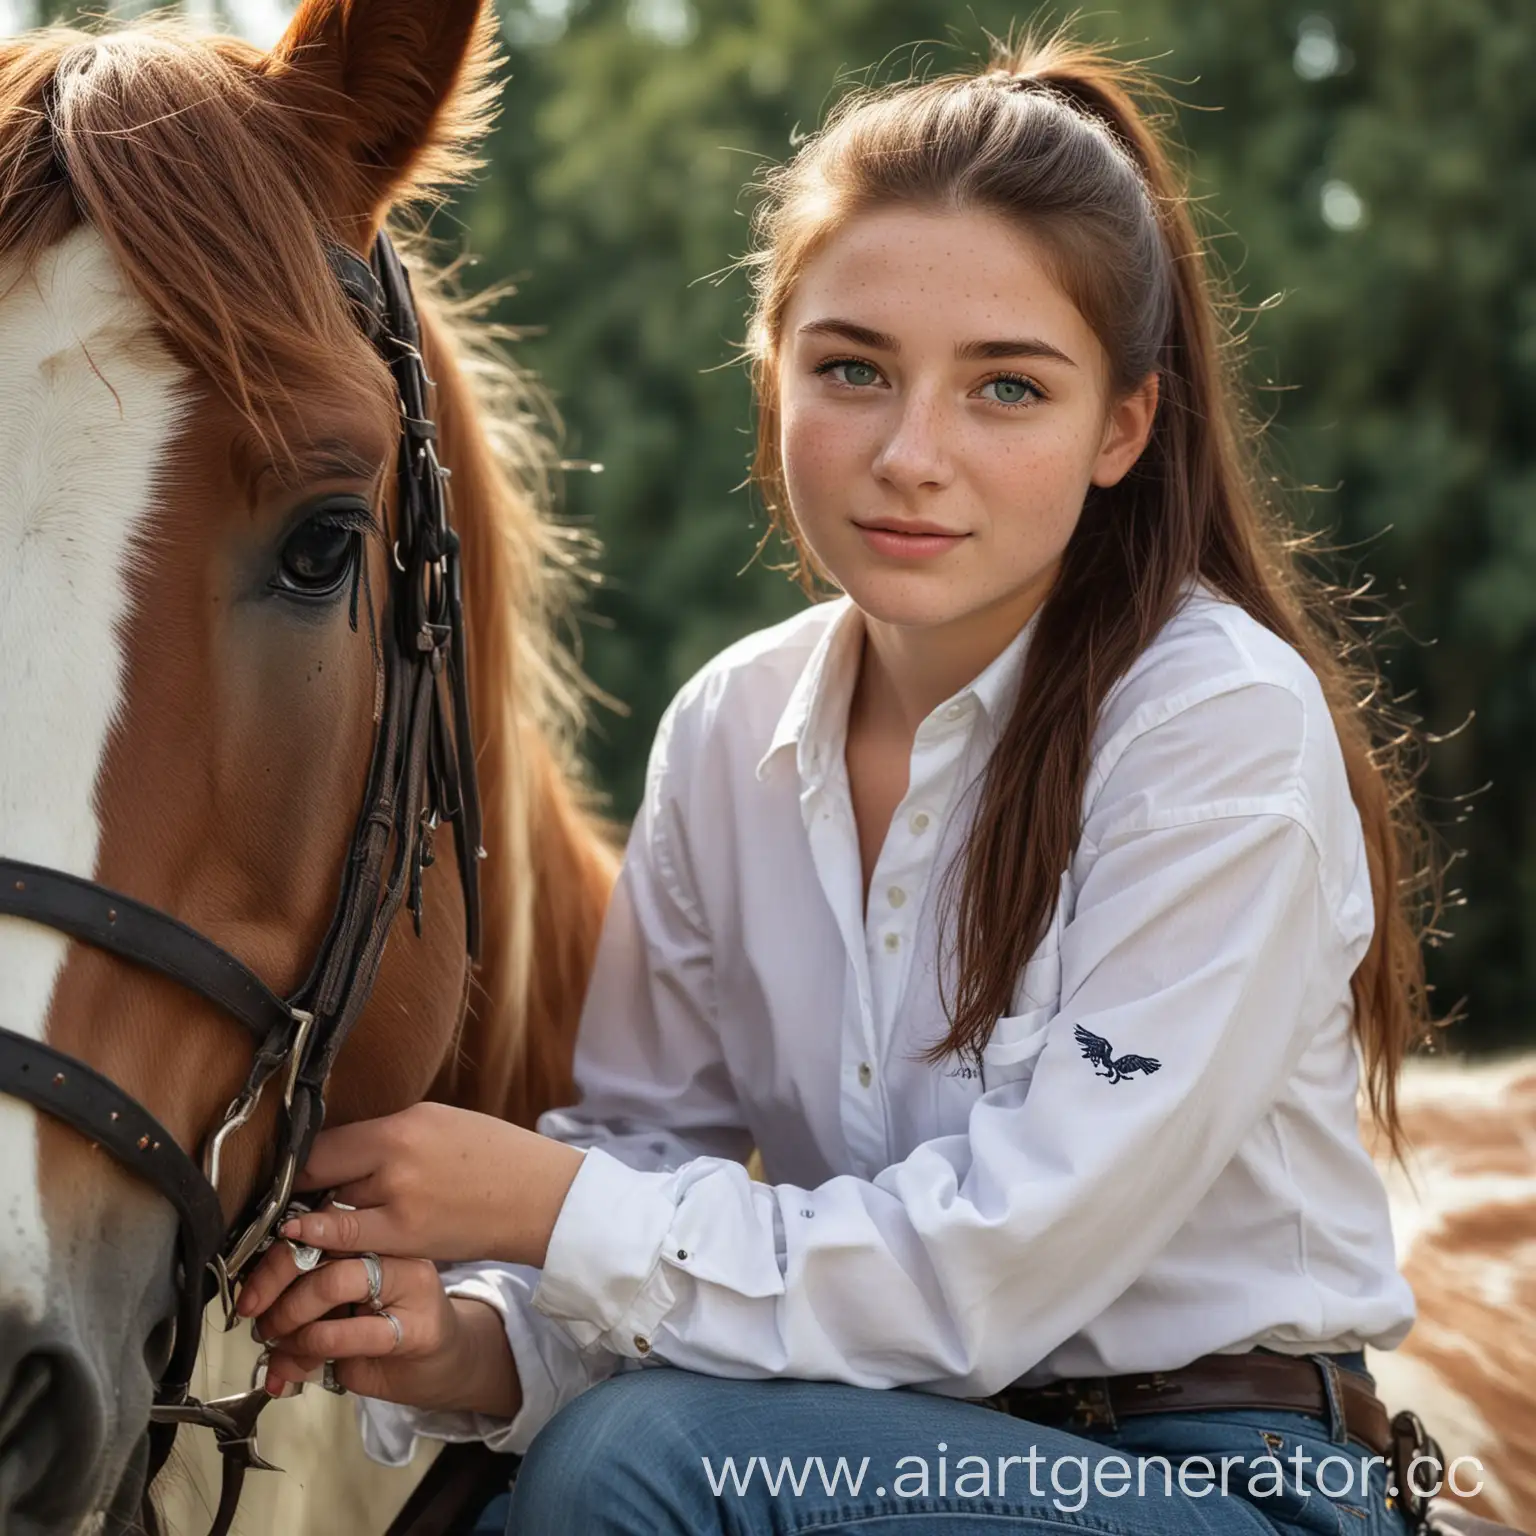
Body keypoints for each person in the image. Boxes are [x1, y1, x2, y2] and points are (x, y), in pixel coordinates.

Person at [236, 33, 1442, 1536]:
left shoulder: (1217, 730)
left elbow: (993, 1272)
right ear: (772, 367)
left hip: (1217, 1480)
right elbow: (647, 1200)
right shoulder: (729, 728)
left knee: (635, 1467)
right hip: (848, 1443)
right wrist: (462, 1344)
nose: (910, 455)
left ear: (1122, 426)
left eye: (1008, 389)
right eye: (854, 370)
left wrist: (542, 1207)